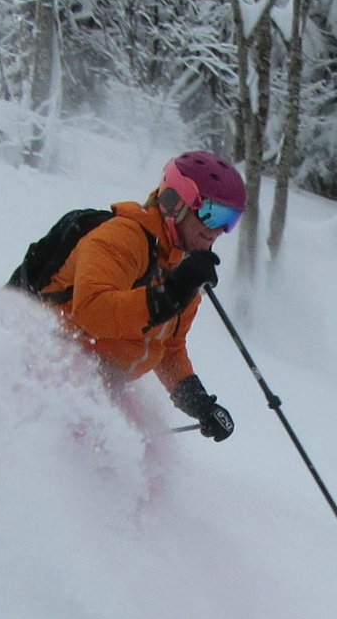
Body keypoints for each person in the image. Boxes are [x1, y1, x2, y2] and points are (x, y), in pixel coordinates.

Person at [40, 151, 245, 441]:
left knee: (148, 465)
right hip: (55, 366)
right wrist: (170, 293)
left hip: (105, 383)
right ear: (176, 203)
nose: (218, 230)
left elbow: (168, 348)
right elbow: (92, 311)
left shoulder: (180, 267)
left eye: (230, 219)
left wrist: (199, 403)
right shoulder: (122, 237)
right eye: (212, 213)